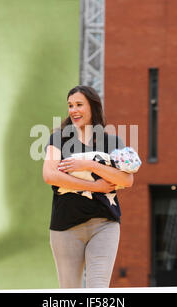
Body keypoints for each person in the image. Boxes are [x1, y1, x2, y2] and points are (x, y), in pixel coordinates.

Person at [42, 85, 135, 288]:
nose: (73, 110)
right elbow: (49, 175)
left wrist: (88, 164)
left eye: (79, 105)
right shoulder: (58, 139)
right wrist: (97, 187)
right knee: (70, 291)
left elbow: (126, 180)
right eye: (70, 105)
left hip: (104, 224)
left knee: (98, 289)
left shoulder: (112, 141)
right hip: (65, 226)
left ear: (93, 107)